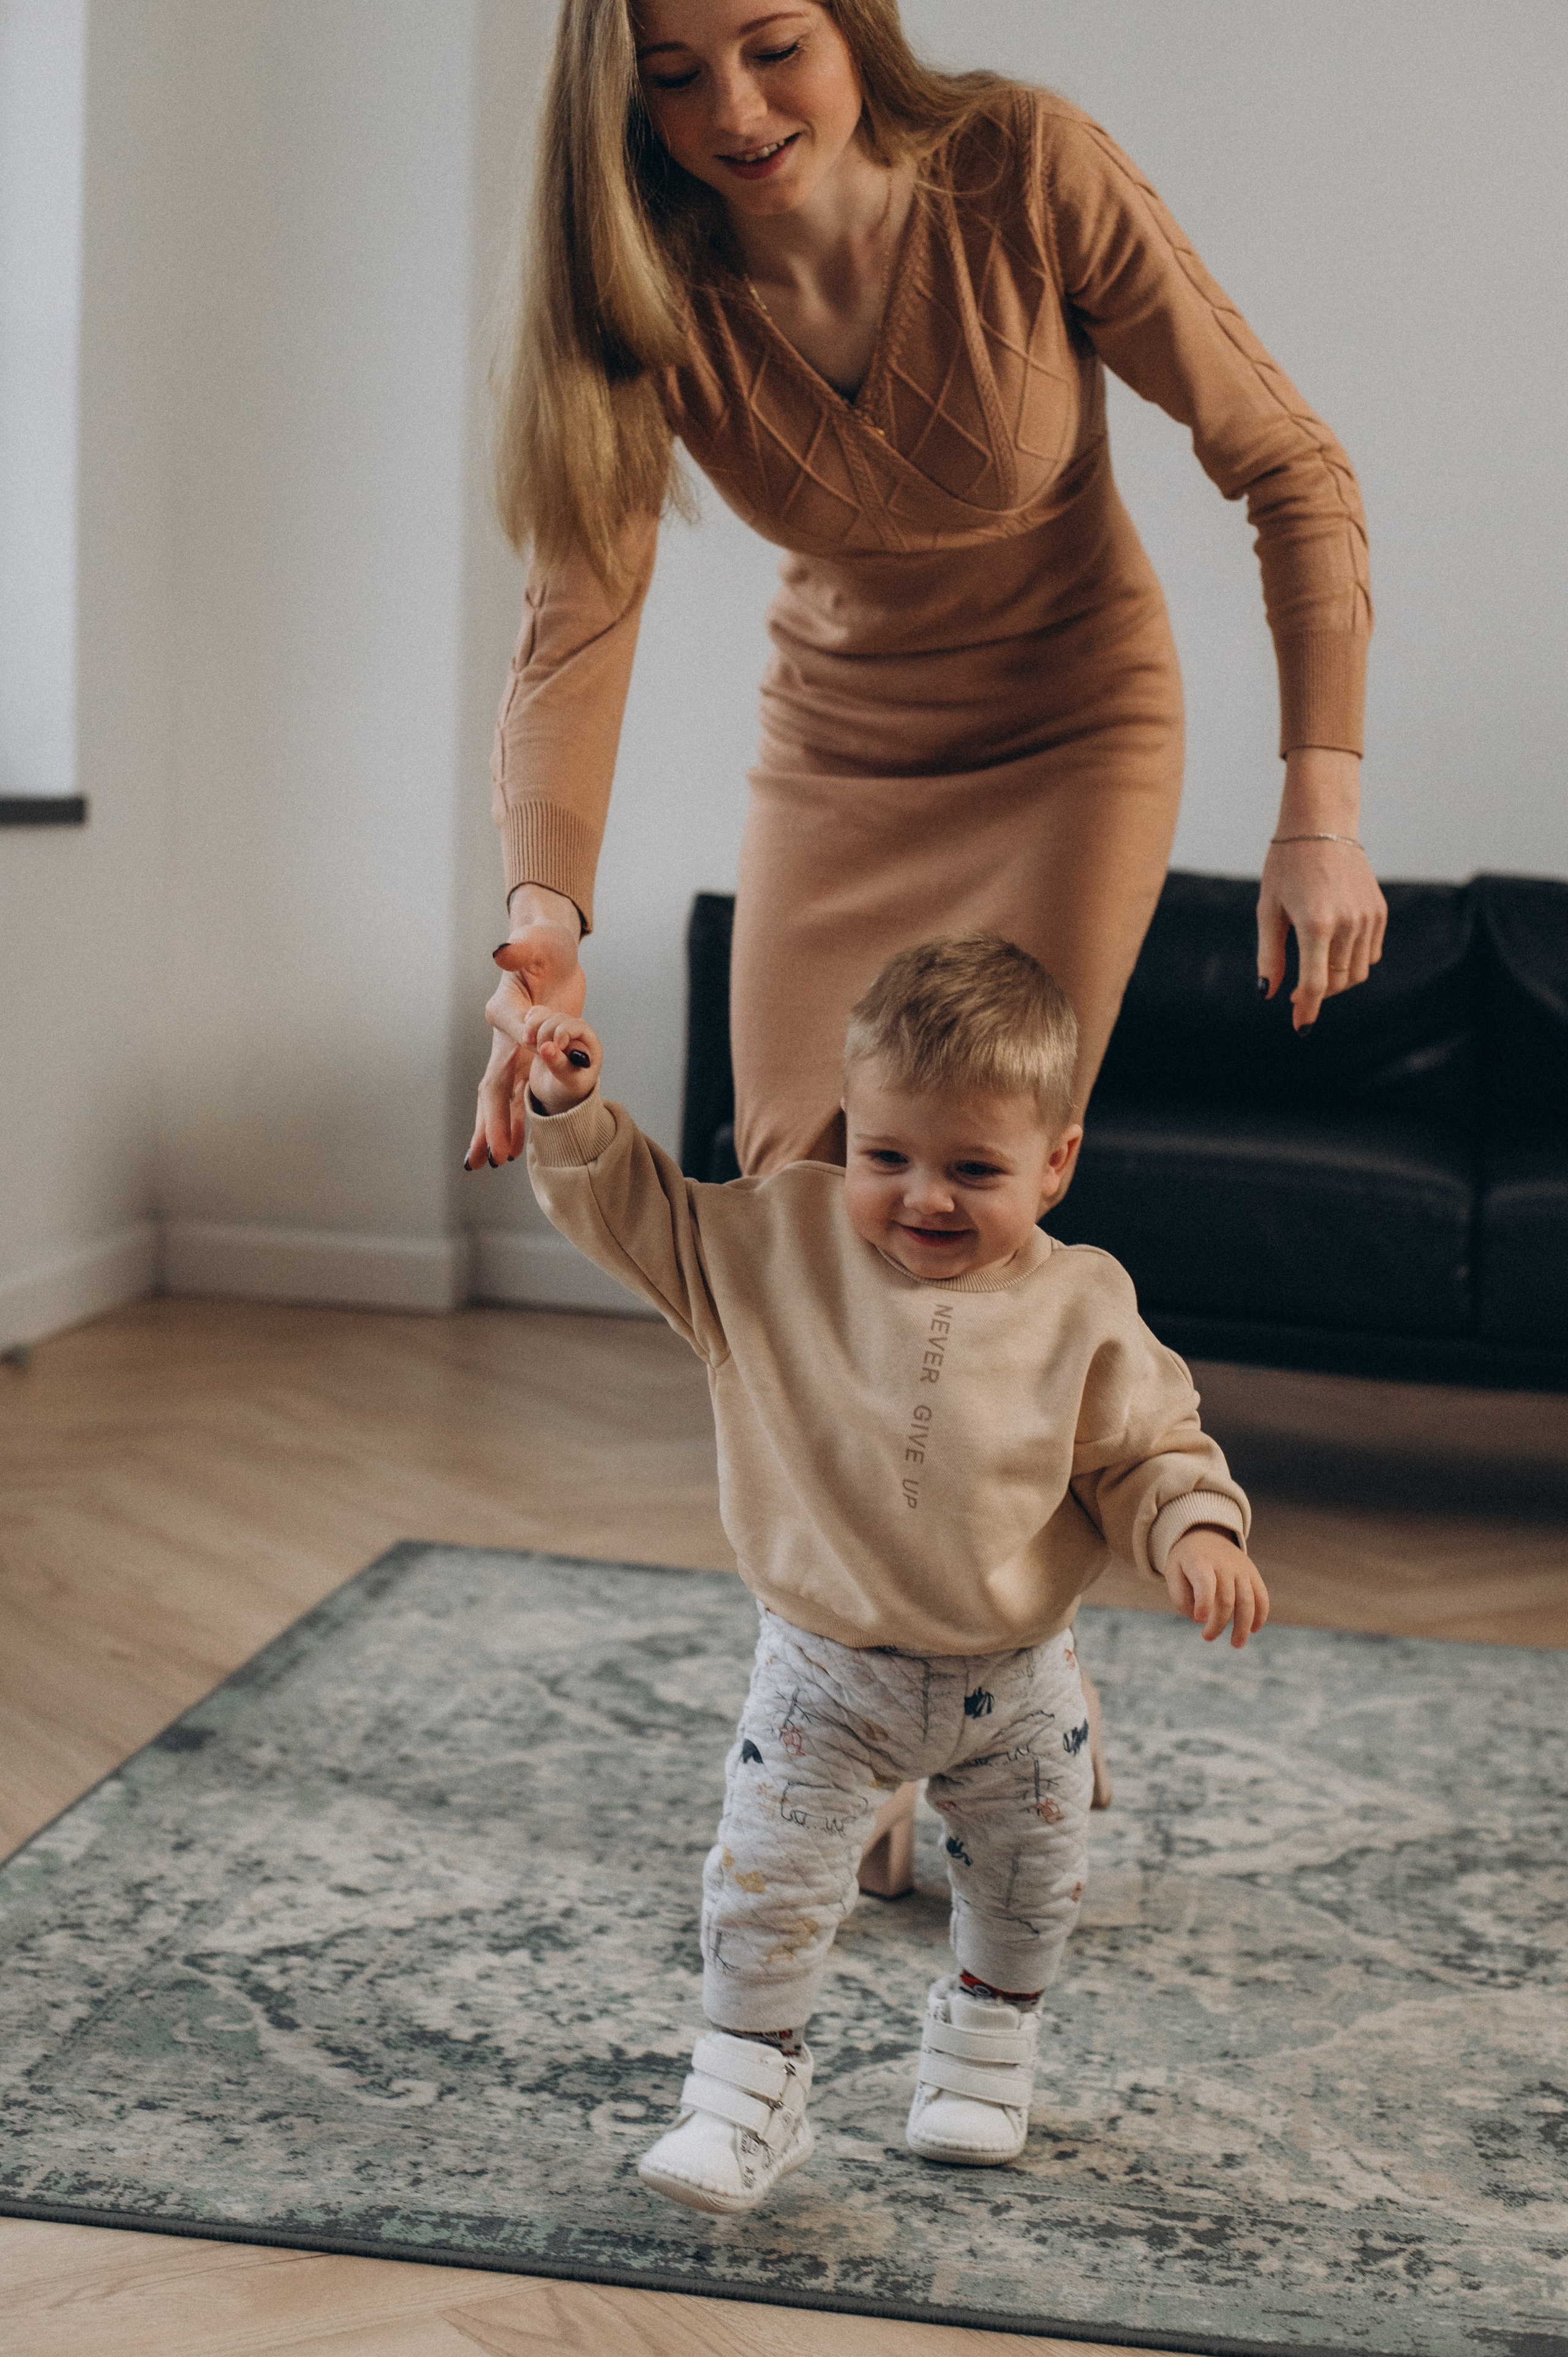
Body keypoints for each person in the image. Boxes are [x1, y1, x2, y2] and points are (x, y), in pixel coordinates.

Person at [469, 0, 1376, 1820]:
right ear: (618, 95)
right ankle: (856, 1702)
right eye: (669, 72)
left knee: (967, 1185)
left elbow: (1288, 461)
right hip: (842, 757)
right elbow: (581, 617)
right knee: (812, 1219)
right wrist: (541, 910)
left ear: (851, 26)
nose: (733, 107)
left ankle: (1005, 1671)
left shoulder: (1024, 171)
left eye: (772, 42)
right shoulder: (643, 284)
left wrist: (1319, 802)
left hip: (1076, 727)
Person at [518, 932, 1268, 2212]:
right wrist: (570, 1108)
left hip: (1015, 1684)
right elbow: (630, 1208)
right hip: (822, 1677)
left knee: (1030, 1890)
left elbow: (1147, 1450)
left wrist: (1196, 1529)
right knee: (761, 1886)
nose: (923, 1196)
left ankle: (983, 2051)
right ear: (847, 1130)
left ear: (1055, 1161)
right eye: (885, 1157)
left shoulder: (1084, 1306)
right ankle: (745, 2093)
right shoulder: (769, 1249)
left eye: (973, 1168)